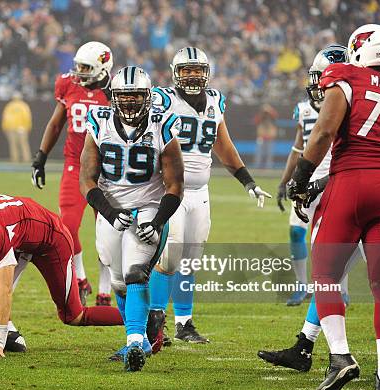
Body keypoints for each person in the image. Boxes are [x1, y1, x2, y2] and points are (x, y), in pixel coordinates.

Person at [259, 47, 380, 379]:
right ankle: (306, 345)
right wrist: (290, 181)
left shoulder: (349, 89)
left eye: (322, 77)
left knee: (345, 278)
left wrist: (312, 184)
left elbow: (358, 156)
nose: (318, 84)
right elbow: (304, 146)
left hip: (347, 195)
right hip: (364, 193)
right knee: (354, 279)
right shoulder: (321, 102)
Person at [148, 47, 272, 351]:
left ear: (207, 72)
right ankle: (155, 320)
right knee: (170, 259)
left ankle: (184, 323)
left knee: (191, 260)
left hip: (200, 192)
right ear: (176, 73)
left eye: (197, 69)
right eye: (186, 70)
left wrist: (248, 182)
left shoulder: (216, 101)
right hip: (171, 190)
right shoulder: (163, 99)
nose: (192, 75)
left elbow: (224, 145)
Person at [80, 66, 184, 371]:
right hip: (111, 209)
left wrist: (158, 220)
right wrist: (109, 212)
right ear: (113, 97)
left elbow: (175, 184)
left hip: (149, 206)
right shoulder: (99, 123)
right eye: (124, 96)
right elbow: (87, 179)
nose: (130, 102)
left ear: (148, 97)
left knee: (136, 272)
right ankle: (137, 336)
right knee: (117, 282)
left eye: (137, 95)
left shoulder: (162, 124)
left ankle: (137, 342)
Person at [0, 194, 124, 358]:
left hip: (51, 242)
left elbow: (5, 289)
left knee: (73, 316)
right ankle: (11, 333)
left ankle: (140, 318)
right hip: (22, 240)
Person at [32, 41, 113, 306]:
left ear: (102, 68)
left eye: (86, 67)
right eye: (78, 66)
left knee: (108, 232)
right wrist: (41, 156)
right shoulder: (67, 84)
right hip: (75, 164)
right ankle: (80, 278)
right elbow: (56, 123)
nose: (79, 72)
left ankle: (104, 290)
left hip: (107, 168)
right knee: (68, 226)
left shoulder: (116, 92)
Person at [276, 45, 349, 306]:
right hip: (307, 181)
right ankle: (302, 286)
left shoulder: (350, 106)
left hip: (336, 179)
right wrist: (285, 182)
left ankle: (341, 287)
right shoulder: (304, 109)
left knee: (335, 238)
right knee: (297, 232)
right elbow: (298, 149)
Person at [1, 92, 32, 163]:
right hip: (22, 129)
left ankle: (15, 160)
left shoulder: (9, 106)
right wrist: (27, 127)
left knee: (13, 145)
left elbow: (5, 118)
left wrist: (5, 127)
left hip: (11, 128)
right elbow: (27, 117)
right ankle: (26, 159)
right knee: (24, 145)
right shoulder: (23, 106)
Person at [253, 104, 278, 169]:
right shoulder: (261, 116)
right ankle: (257, 167)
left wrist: (269, 110)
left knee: (269, 154)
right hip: (261, 138)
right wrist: (262, 112)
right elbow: (256, 121)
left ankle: (268, 168)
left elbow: (276, 116)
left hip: (270, 138)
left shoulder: (272, 117)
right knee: (259, 153)